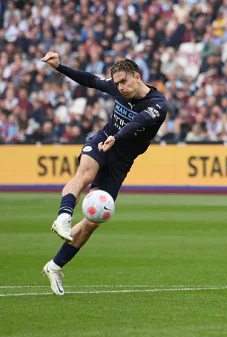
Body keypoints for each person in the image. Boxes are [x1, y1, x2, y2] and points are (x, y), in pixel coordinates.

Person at [40, 52, 168, 296]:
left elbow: (138, 122)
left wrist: (117, 138)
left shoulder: (158, 105)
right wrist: (60, 67)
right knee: (84, 176)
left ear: (137, 77)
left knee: (93, 221)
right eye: (116, 83)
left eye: (123, 82)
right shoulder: (118, 89)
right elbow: (90, 80)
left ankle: (54, 266)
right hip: (101, 142)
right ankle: (64, 216)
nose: (119, 88)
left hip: (120, 161)